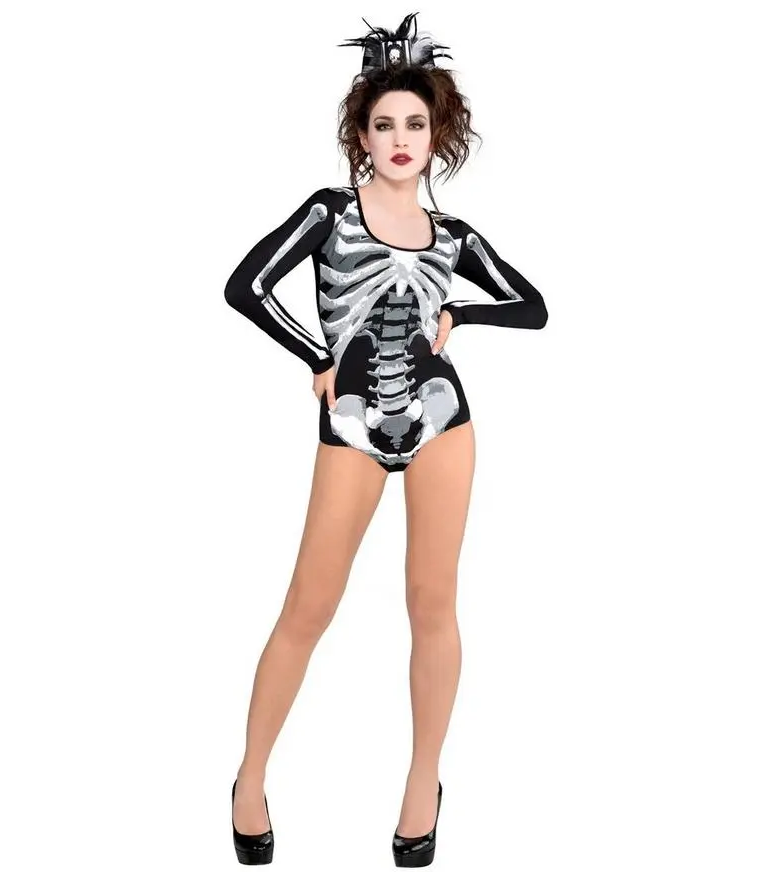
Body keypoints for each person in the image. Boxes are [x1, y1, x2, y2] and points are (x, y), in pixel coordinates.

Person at [223, 12, 548, 867]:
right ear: (360, 136)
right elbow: (245, 287)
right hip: (353, 421)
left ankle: (423, 784)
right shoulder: (330, 212)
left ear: (436, 135)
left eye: (415, 124)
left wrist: (460, 311)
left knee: (432, 604)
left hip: (442, 419)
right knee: (309, 606)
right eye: (384, 124)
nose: (401, 139)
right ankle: (250, 777)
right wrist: (315, 355)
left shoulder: (453, 237)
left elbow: (534, 307)